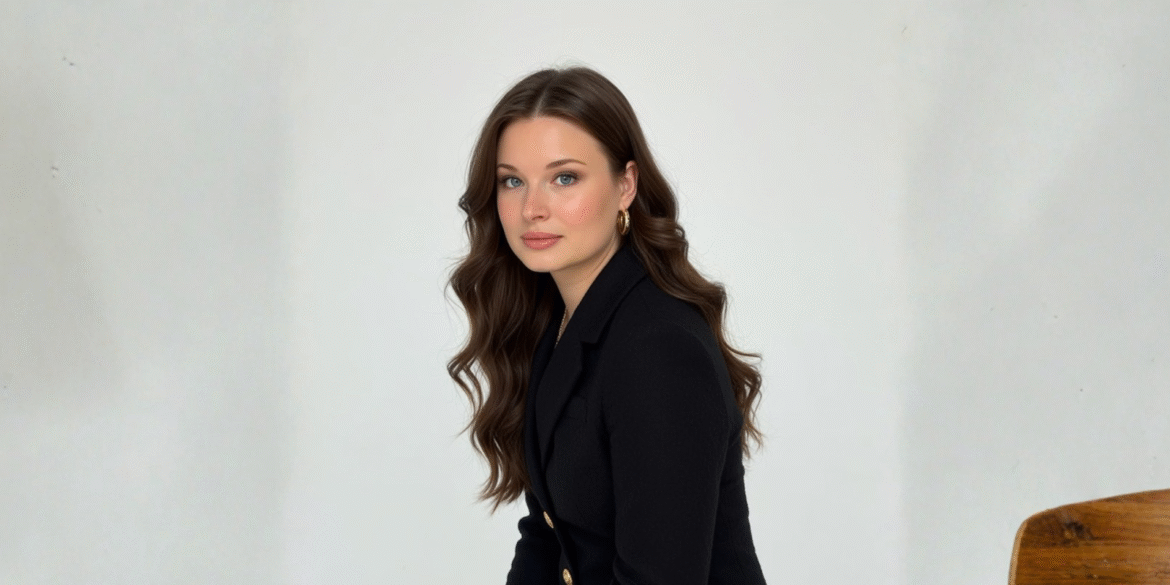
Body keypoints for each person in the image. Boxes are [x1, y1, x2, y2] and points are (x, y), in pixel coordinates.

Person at [448, 66, 767, 585]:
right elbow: (550, 534)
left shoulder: (658, 348)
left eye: (564, 178)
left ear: (626, 186)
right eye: (512, 181)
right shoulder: (560, 320)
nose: (532, 208)